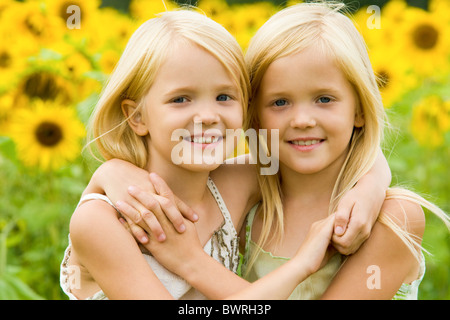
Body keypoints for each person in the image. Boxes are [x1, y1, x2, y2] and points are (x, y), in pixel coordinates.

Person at [90, 2, 449, 300]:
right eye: (279, 102)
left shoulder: (392, 217)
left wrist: (192, 264)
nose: (303, 120)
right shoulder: (254, 189)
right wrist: (109, 173)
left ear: (359, 109)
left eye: (325, 99)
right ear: (254, 113)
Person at [59, 8, 351, 300]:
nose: (208, 116)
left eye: (224, 96)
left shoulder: (235, 184)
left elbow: (339, 156)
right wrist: (300, 266)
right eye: (181, 99)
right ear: (137, 116)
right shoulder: (102, 221)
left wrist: (368, 191)